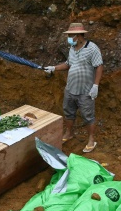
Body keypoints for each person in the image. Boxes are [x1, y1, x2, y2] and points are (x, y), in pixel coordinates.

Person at [44, 22, 104, 153]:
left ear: (79, 35)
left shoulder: (92, 48)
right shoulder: (72, 49)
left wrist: (95, 85)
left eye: (71, 35)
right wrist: (54, 68)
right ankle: (69, 133)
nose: (69, 38)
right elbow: (68, 64)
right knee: (68, 112)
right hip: (70, 88)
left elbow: (99, 66)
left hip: (85, 91)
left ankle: (91, 139)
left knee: (88, 115)